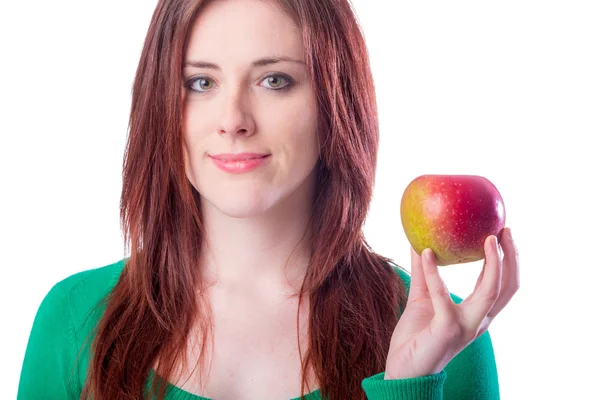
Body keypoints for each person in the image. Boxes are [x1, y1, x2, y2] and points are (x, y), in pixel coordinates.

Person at [17, 0, 520, 399]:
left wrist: (411, 382)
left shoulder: (447, 337)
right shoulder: (72, 319)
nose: (233, 118)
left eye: (274, 80)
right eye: (201, 82)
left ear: (334, 102)